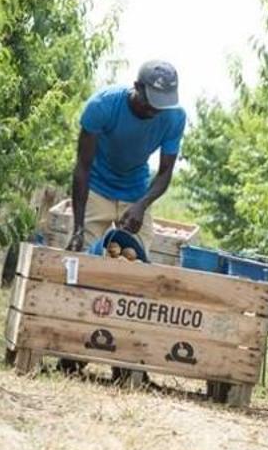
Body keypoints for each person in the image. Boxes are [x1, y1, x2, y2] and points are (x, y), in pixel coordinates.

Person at [60, 60, 185, 378]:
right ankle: (73, 356)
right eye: (150, 102)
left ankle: (128, 365)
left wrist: (141, 205)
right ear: (137, 87)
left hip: (136, 191)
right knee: (87, 269)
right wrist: (77, 228)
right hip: (98, 188)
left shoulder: (173, 117)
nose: (154, 110)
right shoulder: (102, 106)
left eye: (162, 105)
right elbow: (82, 168)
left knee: (139, 275)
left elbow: (165, 171)